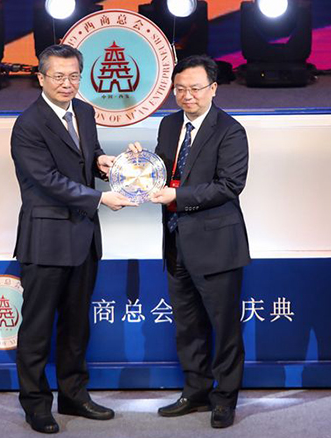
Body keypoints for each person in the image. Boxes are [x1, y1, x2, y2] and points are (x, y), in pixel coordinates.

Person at [11, 44, 135, 434]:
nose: (67, 84)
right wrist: (100, 198)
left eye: (74, 76)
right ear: (41, 78)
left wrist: (102, 162)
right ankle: (36, 405)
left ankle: (73, 395)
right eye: (59, 76)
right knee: (37, 328)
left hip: (83, 237)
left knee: (77, 325)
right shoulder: (28, 124)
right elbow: (47, 181)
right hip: (46, 239)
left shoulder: (83, 111)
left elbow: (86, 155)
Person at [131, 54, 250, 429]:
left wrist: (177, 197)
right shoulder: (169, 125)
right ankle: (195, 391)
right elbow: (163, 171)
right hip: (175, 242)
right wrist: (140, 165)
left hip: (217, 246)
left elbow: (229, 186)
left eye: (195, 88)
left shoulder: (230, 131)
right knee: (187, 325)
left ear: (213, 89)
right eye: (180, 89)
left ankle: (224, 399)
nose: (187, 96)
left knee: (224, 328)